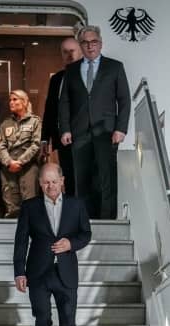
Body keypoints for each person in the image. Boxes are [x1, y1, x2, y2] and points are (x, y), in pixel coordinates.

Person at [13, 163, 91, 326]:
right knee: (43, 318)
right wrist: (19, 271)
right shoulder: (30, 207)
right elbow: (21, 241)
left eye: (54, 181)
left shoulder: (76, 205)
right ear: (40, 184)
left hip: (66, 273)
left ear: (62, 180)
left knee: (68, 325)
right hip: (38, 272)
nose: (50, 186)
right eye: (46, 182)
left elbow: (86, 233)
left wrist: (71, 244)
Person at [58, 25, 130, 220]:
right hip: (79, 132)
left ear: (100, 44)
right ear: (80, 45)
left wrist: (121, 129)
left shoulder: (115, 67)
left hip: (106, 131)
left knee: (106, 178)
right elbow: (64, 101)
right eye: (86, 43)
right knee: (81, 179)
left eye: (94, 42)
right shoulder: (71, 70)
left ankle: (107, 220)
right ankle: (83, 220)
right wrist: (65, 129)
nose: (90, 46)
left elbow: (124, 99)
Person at [41, 37, 82, 194]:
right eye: (65, 52)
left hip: (86, 138)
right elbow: (50, 109)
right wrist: (45, 138)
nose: (69, 55)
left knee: (86, 180)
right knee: (69, 179)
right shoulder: (57, 79)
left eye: (73, 51)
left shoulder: (88, 76)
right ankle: (72, 213)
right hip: (63, 139)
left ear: (80, 52)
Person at [0, 90, 41, 217]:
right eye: (10, 100)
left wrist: (20, 161)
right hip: (8, 168)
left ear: (25, 102)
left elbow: (36, 145)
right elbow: (1, 146)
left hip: (27, 167)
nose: (11, 102)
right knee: (11, 206)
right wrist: (9, 162)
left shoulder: (35, 121)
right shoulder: (5, 123)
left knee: (30, 205)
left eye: (15, 99)